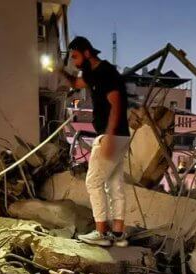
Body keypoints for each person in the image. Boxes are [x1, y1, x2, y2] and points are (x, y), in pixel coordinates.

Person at [60, 36, 131, 247]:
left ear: (87, 53)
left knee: (93, 182)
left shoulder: (104, 73)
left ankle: (101, 232)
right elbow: (76, 83)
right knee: (114, 184)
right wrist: (59, 71)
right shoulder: (95, 74)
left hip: (111, 136)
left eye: (75, 56)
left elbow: (116, 103)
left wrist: (108, 136)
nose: (73, 61)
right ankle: (117, 233)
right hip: (121, 135)